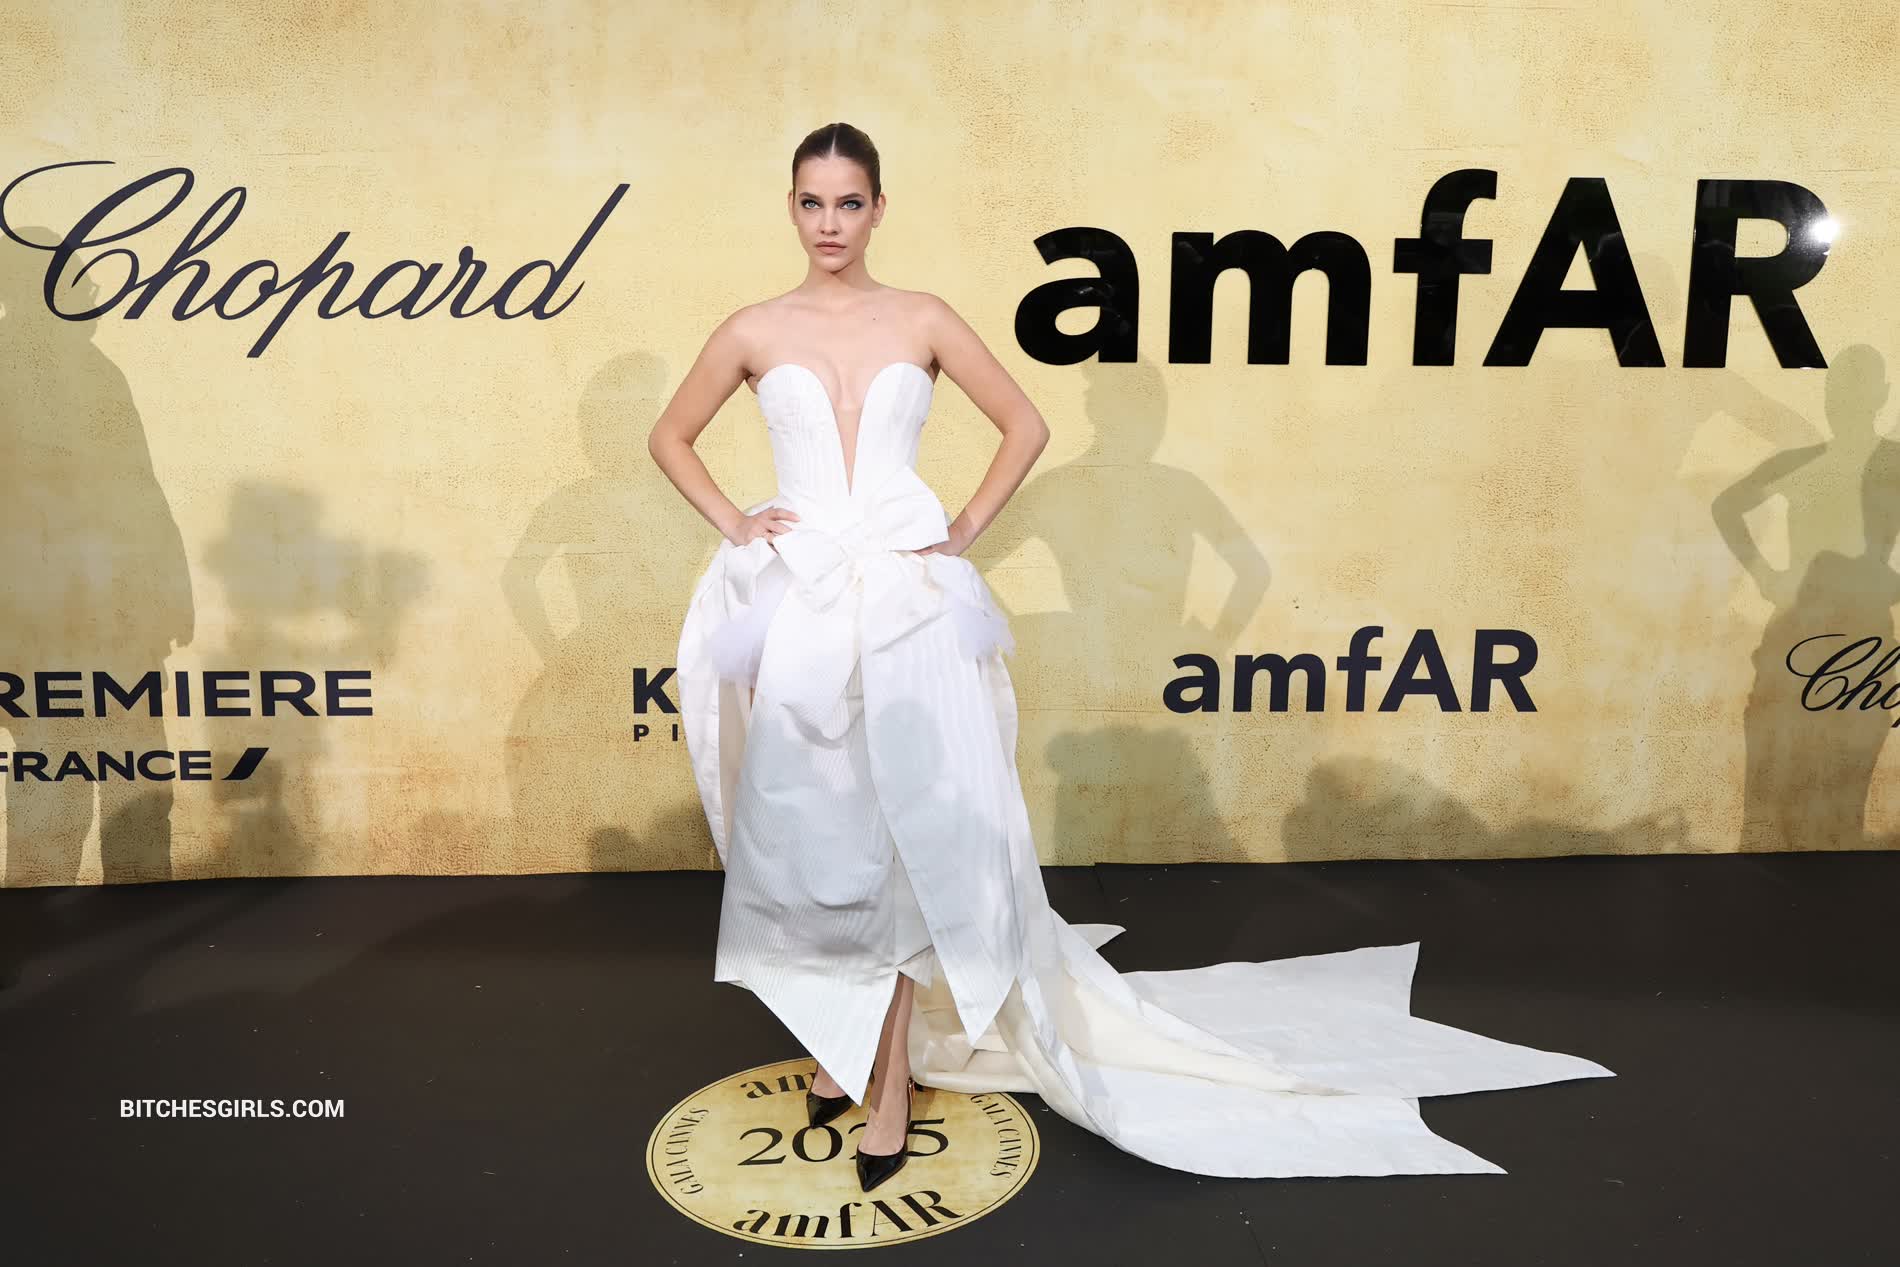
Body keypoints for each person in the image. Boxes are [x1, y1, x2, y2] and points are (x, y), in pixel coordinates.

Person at [649, 122, 1613, 1193]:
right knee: (816, 830)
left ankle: (888, 1080)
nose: (829, 223)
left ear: (879, 208)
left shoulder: (922, 317)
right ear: (791, 206)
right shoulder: (752, 328)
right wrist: (739, 523)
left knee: (914, 825)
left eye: (848, 202)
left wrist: (959, 530)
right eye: (811, 202)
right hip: (802, 605)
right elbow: (669, 436)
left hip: (911, 607)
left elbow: (1023, 424)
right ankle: (843, 1038)